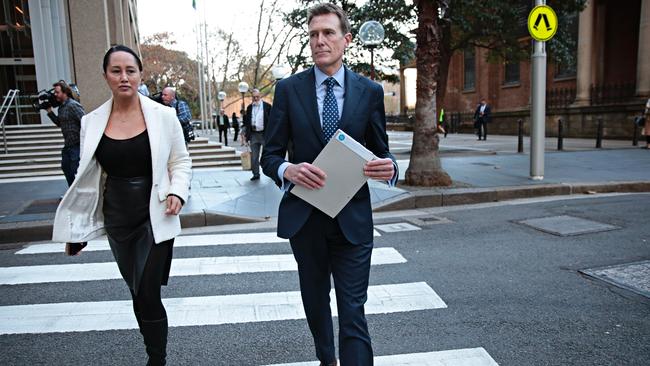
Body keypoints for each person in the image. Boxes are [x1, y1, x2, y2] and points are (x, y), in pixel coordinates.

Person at [261, 3, 397, 365]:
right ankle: (327, 361)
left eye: (328, 33)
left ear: (346, 39)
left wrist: (390, 168)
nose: (319, 41)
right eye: (313, 35)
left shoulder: (370, 92)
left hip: (352, 221)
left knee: (353, 311)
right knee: (317, 305)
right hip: (305, 220)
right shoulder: (289, 89)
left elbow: (382, 152)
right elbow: (270, 155)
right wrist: (287, 170)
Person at [52, 45, 191, 365]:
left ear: (140, 74)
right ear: (106, 76)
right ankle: (152, 350)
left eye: (130, 70)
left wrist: (178, 192)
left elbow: (181, 161)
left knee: (147, 292)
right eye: (116, 71)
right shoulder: (91, 121)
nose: (124, 76)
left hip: (154, 213)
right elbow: (88, 181)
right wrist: (78, 229)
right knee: (137, 294)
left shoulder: (163, 116)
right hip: (118, 217)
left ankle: (157, 359)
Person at [46, 81, 86, 186]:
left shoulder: (73, 105)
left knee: (75, 171)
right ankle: (72, 193)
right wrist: (49, 112)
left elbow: (85, 123)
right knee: (66, 168)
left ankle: (78, 194)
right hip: (68, 146)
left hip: (77, 145)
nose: (55, 94)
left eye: (57, 92)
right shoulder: (61, 108)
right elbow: (59, 123)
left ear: (65, 93)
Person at [243, 88, 271, 180]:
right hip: (253, 135)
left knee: (267, 155)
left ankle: (270, 172)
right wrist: (246, 137)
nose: (255, 99)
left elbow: (272, 121)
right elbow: (247, 123)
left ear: (260, 96)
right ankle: (256, 174)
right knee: (254, 156)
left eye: (257, 97)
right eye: (254, 97)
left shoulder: (267, 106)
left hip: (264, 134)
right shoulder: (249, 107)